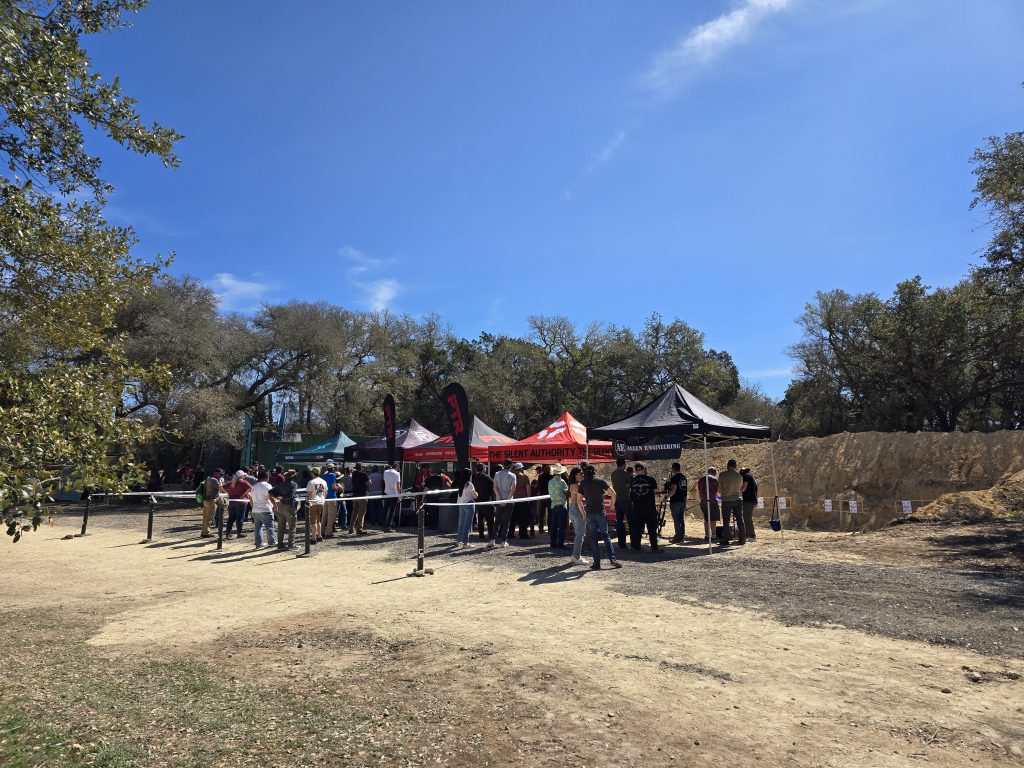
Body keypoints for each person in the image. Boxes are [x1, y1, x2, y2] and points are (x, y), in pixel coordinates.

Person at [579, 465, 621, 569]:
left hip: (589, 513)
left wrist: (583, 513)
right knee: (606, 535)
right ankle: (612, 559)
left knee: (593, 538)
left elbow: (578, 500)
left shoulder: (583, 483)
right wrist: (612, 506)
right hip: (600, 512)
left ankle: (596, 563)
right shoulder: (600, 481)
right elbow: (613, 493)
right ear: (594, 471)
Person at [628, 463, 661, 552]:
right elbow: (655, 491)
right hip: (649, 507)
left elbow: (631, 493)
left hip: (637, 508)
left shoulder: (632, 480)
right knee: (652, 529)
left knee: (637, 529)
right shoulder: (650, 479)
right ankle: (654, 548)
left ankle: (637, 547)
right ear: (644, 469)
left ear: (636, 471)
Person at [719, 459, 746, 545]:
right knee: (740, 520)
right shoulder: (739, 476)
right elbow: (740, 488)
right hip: (738, 499)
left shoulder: (722, 475)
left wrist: (724, 494)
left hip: (726, 500)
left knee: (726, 521)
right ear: (735, 466)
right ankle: (742, 539)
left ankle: (725, 539)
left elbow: (719, 488)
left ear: (728, 465)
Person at [270, 468, 299, 550]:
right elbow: (291, 496)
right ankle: (291, 545)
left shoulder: (281, 484)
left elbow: (270, 492)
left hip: (280, 506)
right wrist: (283, 497)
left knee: (281, 527)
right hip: (289, 506)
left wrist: (278, 497)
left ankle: (280, 545)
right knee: (292, 527)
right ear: (293, 476)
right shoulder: (294, 484)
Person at [249, 469, 277, 549]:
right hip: (266, 509)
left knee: (257, 528)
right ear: (267, 477)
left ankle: (258, 544)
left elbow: (250, 498)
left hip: (256, 510)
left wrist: (253, 507)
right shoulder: (267, 485)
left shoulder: (254, 486)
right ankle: (271, 542)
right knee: (269, 526)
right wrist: (275, 506)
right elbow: (271, 497)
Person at [492, 461, 517, 548]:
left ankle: (492, 539)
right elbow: (513, 488)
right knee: (506, 522)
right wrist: (507, 500)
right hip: (508, 501)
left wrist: (499, 498)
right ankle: (503, 541)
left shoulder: (497, 474)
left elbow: (494, 487)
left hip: (499, 500)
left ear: (503, 465)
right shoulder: (513, 475)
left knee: (497, 521)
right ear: (511, 466)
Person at [567, 467, 587, 565]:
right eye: (580, 473)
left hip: (572, 509)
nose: (582, 475)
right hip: (577, 509)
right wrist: (584, 514)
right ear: (575, 475)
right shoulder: (578, 486)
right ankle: (576, 556)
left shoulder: (572, 485)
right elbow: (580, 501)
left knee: (578, 534)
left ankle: (576, 555)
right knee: (580, 534)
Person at [663, 462, 689, 543]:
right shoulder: (683, 477)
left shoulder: (674, 478)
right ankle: (681, 536)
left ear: (673, 469)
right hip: (682, 500)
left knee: (677, 520)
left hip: (676, 501)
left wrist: (666, 497)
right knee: (681, 519)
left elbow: (673, 490)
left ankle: (678, 536)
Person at [610, 458, 632, 548]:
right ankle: (634, 542)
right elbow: (629, 485)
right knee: (630, 520)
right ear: (624, 464)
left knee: (619, 521)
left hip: (617, 499)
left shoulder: (613, 474)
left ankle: (621, 543)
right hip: (626, 498)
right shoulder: (626, 474)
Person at [224, 470, 252, 539]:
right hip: (241, 502)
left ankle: (228, 534)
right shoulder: (244, 482)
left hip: (232, 501)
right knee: (240, 518)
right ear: (241, 476)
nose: (244, 476)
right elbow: (251, 488)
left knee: (231, 518)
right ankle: (239, 533)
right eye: (243, 475)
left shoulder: (232, 482)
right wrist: (243, 495)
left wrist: (228, 493)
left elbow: (221, 487)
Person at [547, 463, 569, 549]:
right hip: (562, 505)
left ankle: (552, 543)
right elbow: (567, 492)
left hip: (553, 505)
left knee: (554, 526)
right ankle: (560, 544)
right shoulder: (562, 482)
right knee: (562, 526)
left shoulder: (550, 481)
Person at [472, 463, 495, 542]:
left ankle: (481, 535)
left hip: (478, 501)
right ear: (483, 469)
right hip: (486, 501)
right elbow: (494, 485)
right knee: (490, 520)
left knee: (480, 519)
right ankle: (491, 535)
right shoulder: (487, 477)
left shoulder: (475, 478)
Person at [455, 469, 478, 548]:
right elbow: (475, 496)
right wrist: (477, 493)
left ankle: (458, 541)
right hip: (469, 504)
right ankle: (465, 543)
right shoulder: (470, 484)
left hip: (461, 504)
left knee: (461, 523)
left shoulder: (460, 483)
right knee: (467, 525)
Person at [422, 465, 450, 530]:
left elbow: (425, 490)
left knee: (432, 512)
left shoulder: (429, 479)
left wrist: (422, 499)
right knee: (438, 512)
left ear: (430, 473)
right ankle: (438, 525)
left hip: (431, 498)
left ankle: (434, 526)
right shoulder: (441, 478)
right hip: (439, 497)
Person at [697, 467, 721, 539]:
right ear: (714, 473)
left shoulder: (700, 480)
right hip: (712, 502)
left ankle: (707, 535)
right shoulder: (714, 479)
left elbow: (699, 490)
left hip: (703, 502)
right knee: (713, 519)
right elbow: (718, 491)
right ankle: (713, 536)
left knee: (706, 519)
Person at [199, 468, 224, 538]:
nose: (221, 476)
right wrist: (221, 481)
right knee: (209, 517)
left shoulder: (208, 478)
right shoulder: (215, 480)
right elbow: (221, 489)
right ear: (215, 473)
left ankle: (203, 532)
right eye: (220, 474)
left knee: (205, 517)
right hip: (212, 500)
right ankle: (206, 533)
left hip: (206, 500)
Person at [305, 466, 328, 542]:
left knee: (313, 522)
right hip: (321, 502)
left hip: (313, 502)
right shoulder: (324, 481)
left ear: (313, 473)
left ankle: (314, 538)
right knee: (318, 520)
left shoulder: (311, 482)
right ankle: (319, 536)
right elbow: (326, 493)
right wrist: (322, 499)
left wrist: (306, 501)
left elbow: (308, 494)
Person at [349, 463, 369, 534]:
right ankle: (359, 529)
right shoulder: (364, 474)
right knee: (361, 513)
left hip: (355, 495)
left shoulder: (353, 474)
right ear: (361, 468)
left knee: (354, 512)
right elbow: (368, 483)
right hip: (363, 495)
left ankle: (351, 528)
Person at [512, 463, 531, 538]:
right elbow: (528, 488)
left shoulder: (511, 476)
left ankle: (510, 533)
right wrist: (529, 499)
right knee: (523, 518)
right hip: (523, 499)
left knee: (512, 518)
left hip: (513, 499)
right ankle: (523, 534)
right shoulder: (524, 477)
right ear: (521, 469)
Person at [740, 466, 759, 541]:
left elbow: (744, 487)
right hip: (752, 500)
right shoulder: (751, 476)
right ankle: (748, 535)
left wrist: (737, 492)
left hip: (748, 500)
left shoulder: (746, 476)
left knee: (747, 518)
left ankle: (752, 536)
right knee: (746, 518)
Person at [321, 462, 339, 538]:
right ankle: (329, 532)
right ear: (333, 468)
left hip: (325, 497)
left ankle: (322, 531)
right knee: (331, 516)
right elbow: (333, 487)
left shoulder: (324, 475)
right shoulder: (333, 475)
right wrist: (338, 487)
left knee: (324, 516)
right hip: (332, 497)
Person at [382, 462, 402, 531]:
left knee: (385, 510)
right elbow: (398, 486)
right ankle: (388, 526)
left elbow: (384, 481)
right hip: (394, 494)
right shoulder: (397, 473)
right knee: (391, 511)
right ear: (397, 467)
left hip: (386, 493)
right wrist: (399, 496)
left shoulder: (385, 472)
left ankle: (383, 525)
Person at [533, 464, 552, 535]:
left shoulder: (540, 477)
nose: (549, 469)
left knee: (542, 513)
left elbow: (539, 487)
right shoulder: (550, 477)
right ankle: (549, 529)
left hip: (542, 496)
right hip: (549, 496)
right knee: (549, 513)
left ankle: (541, 529)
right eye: (548, 468)